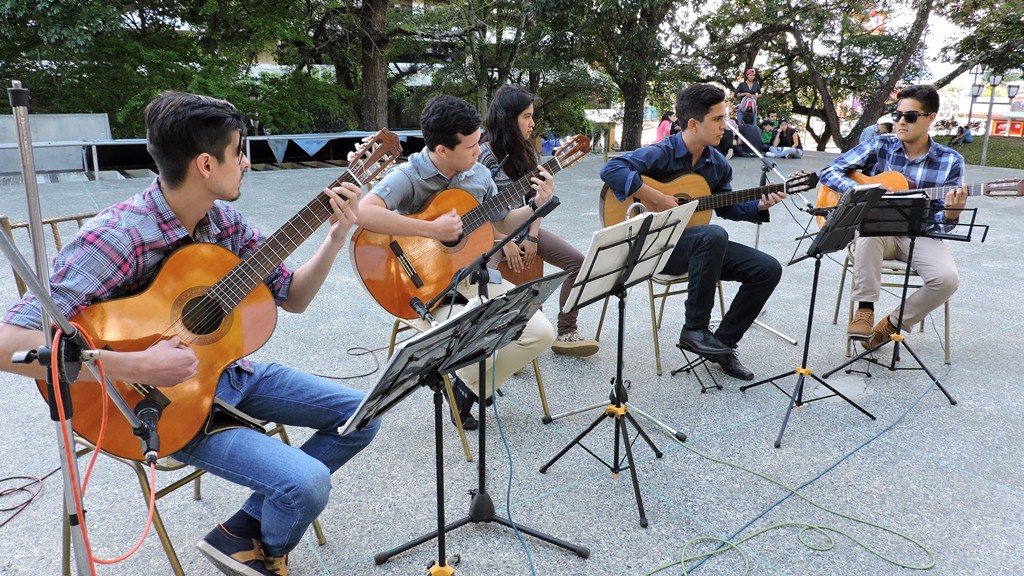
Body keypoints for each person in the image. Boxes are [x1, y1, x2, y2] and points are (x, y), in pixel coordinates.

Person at [0, 92, 379, 576]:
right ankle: (270, 547)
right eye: (239, 152)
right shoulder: (118, 237)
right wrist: (136, 365)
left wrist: (334, 236)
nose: (245, 163)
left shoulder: (222, 222)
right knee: (305, 484)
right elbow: (9, 344)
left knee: (365, 414)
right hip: (159, 406)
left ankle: (242, 533)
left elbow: (295, 297)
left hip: (229, 373)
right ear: (206, 163)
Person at [358, 94, 556, 429]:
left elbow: (503, 223)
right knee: (475, 333)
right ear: (441, 151)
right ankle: (473, 381)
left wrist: (537, 203)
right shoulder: (409, 176)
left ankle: (468, 387)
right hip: (421, 288)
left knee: (540, 332)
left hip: (467, 277)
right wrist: (430, 228)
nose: (479, 152)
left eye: (479, 142)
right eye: (471, 147)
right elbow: (365, 212)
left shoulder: (478, 176)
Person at [600, 84, 786, 381]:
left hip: (697, 249)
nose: (725, 126)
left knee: (767, 268)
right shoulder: (661, 153)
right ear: (693, 124)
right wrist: (657, 198)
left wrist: (759, 205)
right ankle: (695, 329)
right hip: (653, 247)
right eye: (717, 119)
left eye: (725, 118)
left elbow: (726, 206)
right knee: (711, 235)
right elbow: (612, 170)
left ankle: (721, 345)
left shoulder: (718, 164)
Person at [819, 84, 967, 349]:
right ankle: (864, 310)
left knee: (947, 279)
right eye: (897, 114)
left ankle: (892, 324)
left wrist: (952, 215)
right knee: (869, 229)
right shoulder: (880, 144)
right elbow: (829, 172)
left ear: (930, 117)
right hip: (877, 234)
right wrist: (861, 191)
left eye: (910, 116)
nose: (900, 122)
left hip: (920, 235)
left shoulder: (950, 161)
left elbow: (943, 227)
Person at [479, 85, 598, 357]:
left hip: (524, 225)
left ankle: (566, 331)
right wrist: (503, 242)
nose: (532, 123)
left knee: (578, 264)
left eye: (533, 116)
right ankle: (499, 344)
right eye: (526, 116)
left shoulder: (528, 153)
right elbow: (478, 209)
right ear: (508, 118)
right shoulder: (484, 155)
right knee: (486, 280)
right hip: (492, 234)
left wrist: (532, 236)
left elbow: (536, 201)